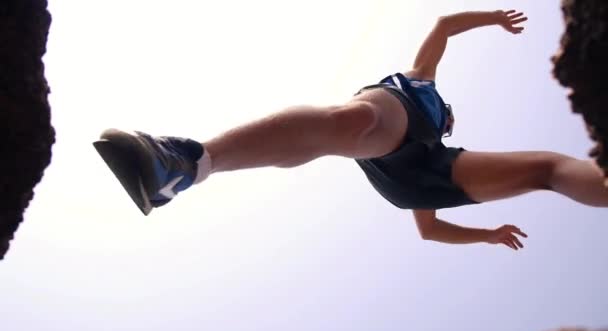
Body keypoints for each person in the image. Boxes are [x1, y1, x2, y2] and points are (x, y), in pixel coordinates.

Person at [93, 9, 608, 251]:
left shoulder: (438, 143)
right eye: (449, 114)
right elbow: (443, 26)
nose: (451, 119)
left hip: (416, 176)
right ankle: (186, 162)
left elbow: (428, 228)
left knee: (544, 168)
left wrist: (487, 235)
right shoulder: (421, 84)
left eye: (451, 122)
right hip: (383, 136)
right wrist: (493, 17)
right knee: (358, 119)